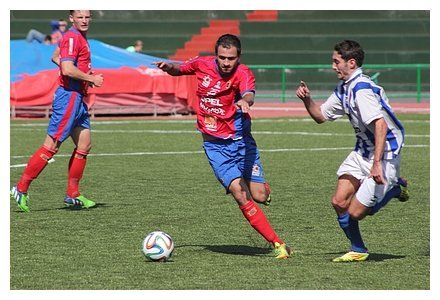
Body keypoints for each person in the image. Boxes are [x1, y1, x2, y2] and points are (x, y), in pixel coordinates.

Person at [155, 34, 291, 259]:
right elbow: (180, 69)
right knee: (240, 193)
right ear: (215, 54)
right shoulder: (202, 64)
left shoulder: (243, 73)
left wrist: (245, 101)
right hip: (215, 146)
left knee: (258, 195)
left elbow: (249, 93)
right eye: (222, 57)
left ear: (239, 57)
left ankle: (263, 188)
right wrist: (168, 66)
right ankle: (278, 243)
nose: (226, 63)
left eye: (231, 58)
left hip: (242, 144)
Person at [295, 40, 409, 262]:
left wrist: (376, 165)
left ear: (352, 63)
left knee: (356, 212)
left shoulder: (361, 89)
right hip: (361, 152)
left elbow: (381, 125)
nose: (333, 66)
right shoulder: (344, 88)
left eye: (336, 61)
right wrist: (307, 99)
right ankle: (358, 249)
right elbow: (320, 116)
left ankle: (395, 188)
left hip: (384, 155)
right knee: (339, 202)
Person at [11, 10, 104, 212]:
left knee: (85, 144)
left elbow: (56, 57)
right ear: (71, 18)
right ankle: (21, 188)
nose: (84, 20)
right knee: (51, 145)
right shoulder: (72, 37)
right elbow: (67, 69)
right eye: (80, 17)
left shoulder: (77, 37)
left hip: (78, 97)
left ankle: (73, 194)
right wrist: (90, 78)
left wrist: (84, 75)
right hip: (69, 96)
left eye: (87, 16)